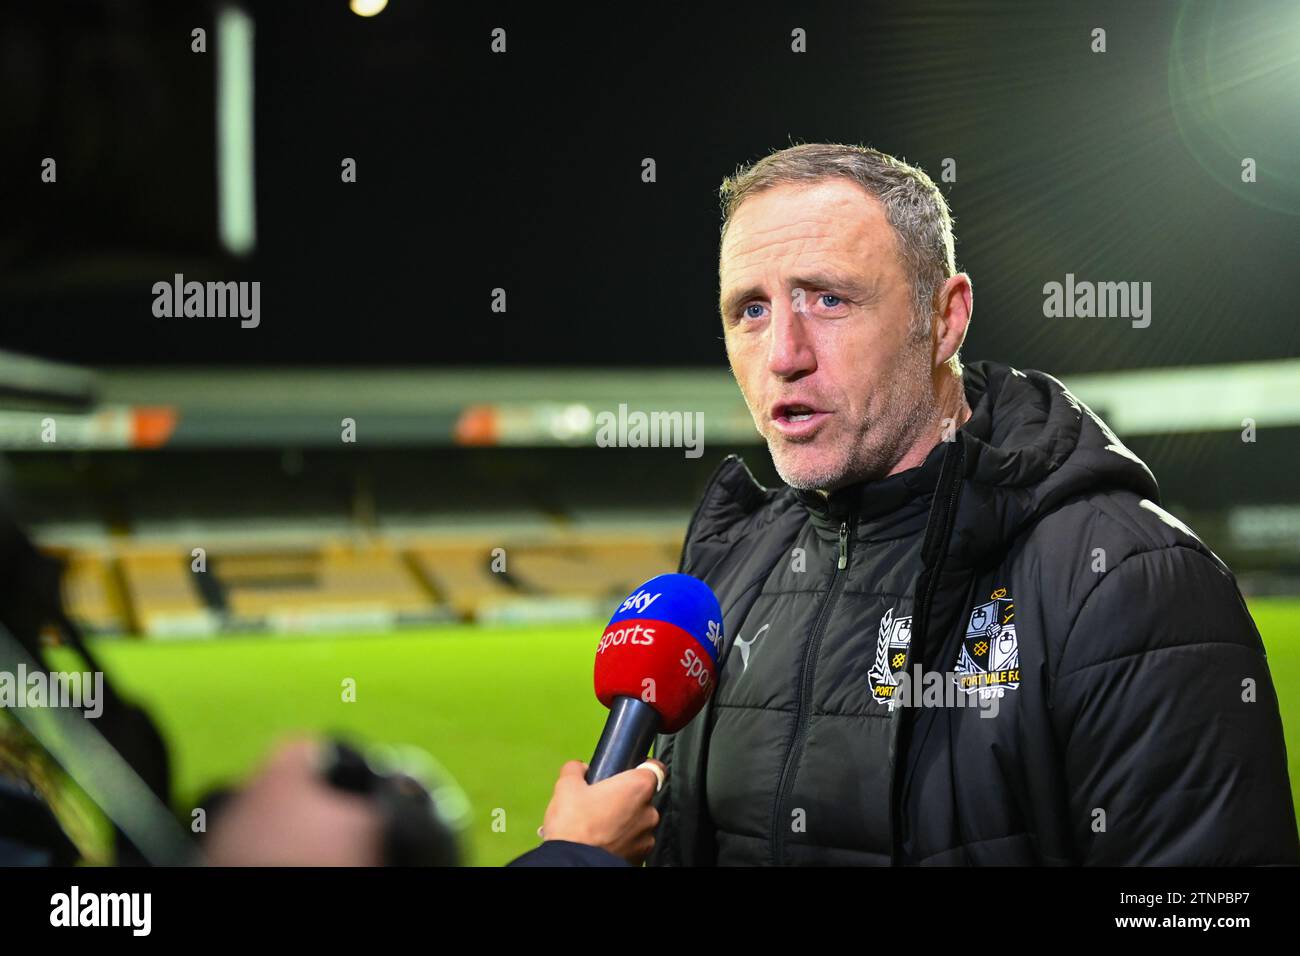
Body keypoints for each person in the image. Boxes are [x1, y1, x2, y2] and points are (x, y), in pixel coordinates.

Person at [634, 142, 1299, 865]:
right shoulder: (725, 582)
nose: (783, 354)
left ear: (945, 318)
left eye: (829, 298)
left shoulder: (1132, 584)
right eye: (751, 310)